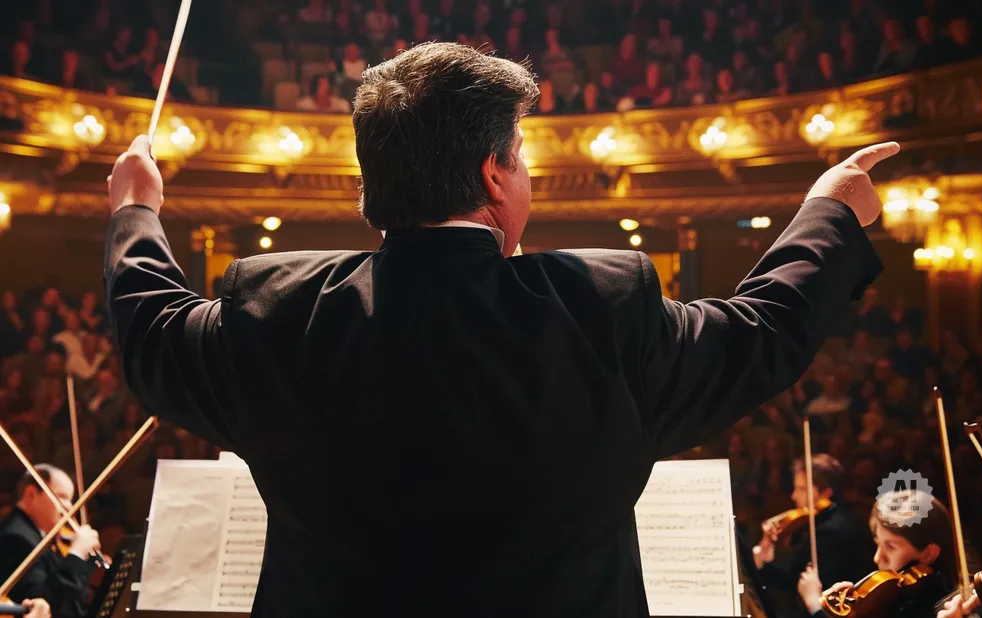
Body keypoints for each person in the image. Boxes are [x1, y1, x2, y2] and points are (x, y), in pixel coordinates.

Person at [103, 42, 893, 617]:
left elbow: (150, 329)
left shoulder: (273, 308)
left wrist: (136, 208)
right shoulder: (602, 306)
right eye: (521, 158)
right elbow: (764, 329)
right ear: (492, 174)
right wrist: (831, 212)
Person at [800, 490, 957, 618]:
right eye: (878, 544)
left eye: (890, 547)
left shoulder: (943, 609)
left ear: (929, 554)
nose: (877, 558)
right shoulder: (896, 600)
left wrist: (815, 606)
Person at [753, 454, 873, 616]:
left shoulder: (830, 532)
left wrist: (760, 564)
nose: (794, 496)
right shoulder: (831, 520)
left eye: (802, 489)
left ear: (826, 492)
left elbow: (795, 581)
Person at [0, 465, 101, 618]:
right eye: (62, 497)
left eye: (70, 499)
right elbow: (48, 605)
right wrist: (77, 554)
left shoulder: (40, 535)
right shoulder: (16, 538)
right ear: (31, 494)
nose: (69, 507)